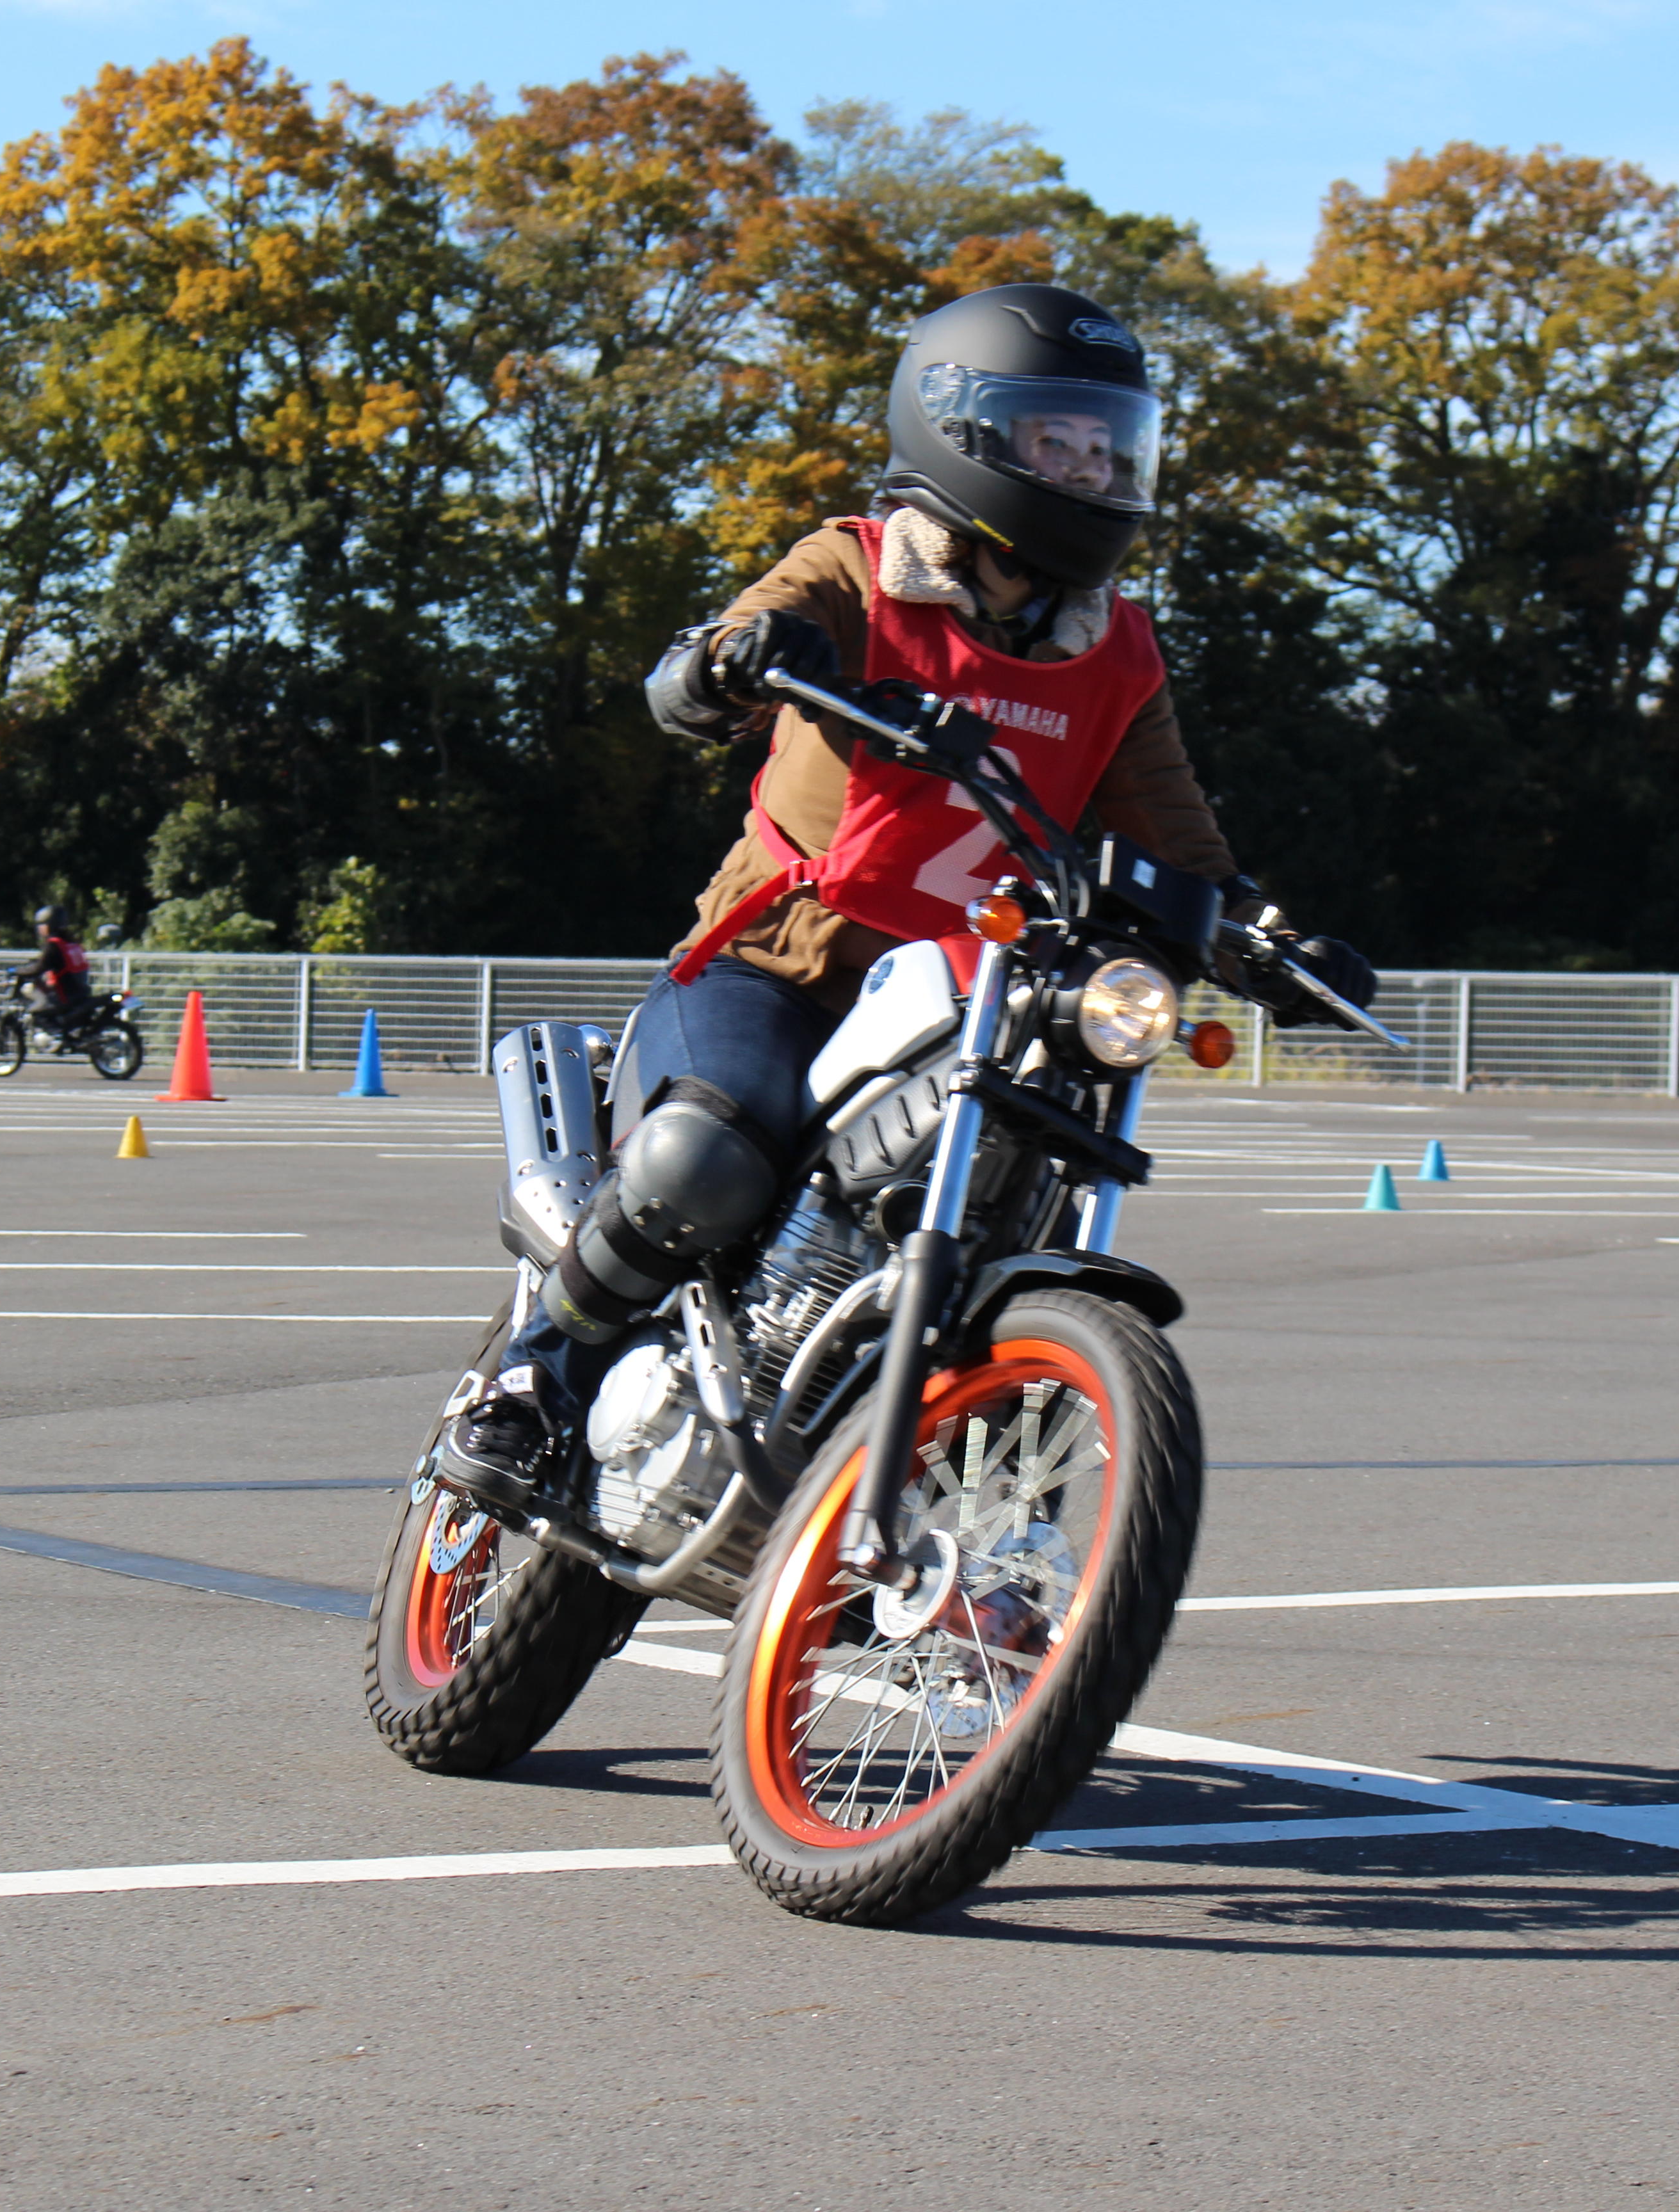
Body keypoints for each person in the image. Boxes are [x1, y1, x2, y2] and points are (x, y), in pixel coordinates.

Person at [436, 283, 1372, 1507]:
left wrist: (1268, 939)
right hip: (775, 967)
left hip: (963, 1005)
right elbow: (736, 639)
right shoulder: (857, 569)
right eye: (1057, 442)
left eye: (1107, 444)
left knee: (1019, 1192)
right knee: (705, 1160)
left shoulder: (1118, 647)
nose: (1088, 470)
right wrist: (729, 665)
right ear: (963, 430)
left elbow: (1176, 835)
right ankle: (532, 1377)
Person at [22, 907, 90, 1034]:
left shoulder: (54, 945)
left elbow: (39, 969)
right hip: (81, 991)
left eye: (41, 924)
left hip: (64, 995)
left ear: (49, 925)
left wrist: (18, 971)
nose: (39, 928)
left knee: (36, 1012)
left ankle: (55, 1035)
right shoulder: (71, 943)